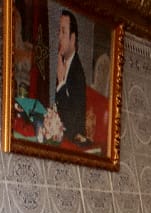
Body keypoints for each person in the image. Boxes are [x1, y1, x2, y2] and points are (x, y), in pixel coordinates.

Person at [52, 8, 85, 141]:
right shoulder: (64, 62)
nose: (59, 37)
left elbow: (72, 124)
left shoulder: (78, 73)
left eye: (63, 32)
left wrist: (61, 81)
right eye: (59, 31)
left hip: (72, 140)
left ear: (72, 38)